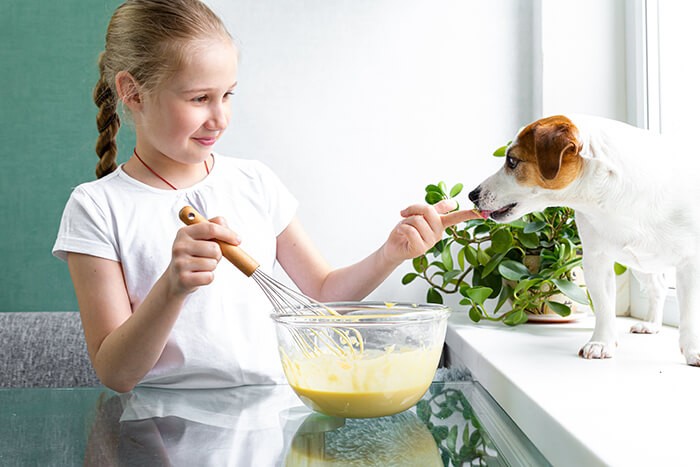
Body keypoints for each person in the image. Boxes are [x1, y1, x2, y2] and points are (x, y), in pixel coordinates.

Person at [53, 0, 479, 393]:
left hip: (272, 418)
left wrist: (391, 252)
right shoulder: (96, 208)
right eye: (199, 98)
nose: (219, 117)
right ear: (132, 92)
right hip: (161, 430)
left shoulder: (254, 182)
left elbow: (322, 297)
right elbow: (116, 373)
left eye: (227, 95)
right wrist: (172, 287)